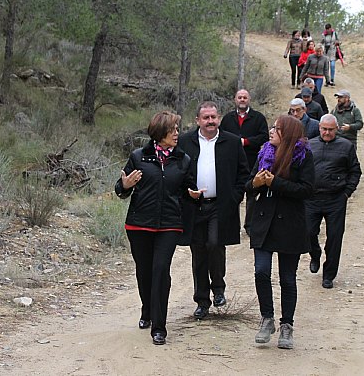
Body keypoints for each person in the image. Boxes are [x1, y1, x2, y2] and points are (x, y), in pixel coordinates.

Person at [115, 111, 201, 346]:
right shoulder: (138, 157)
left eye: (177, 129)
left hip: (169, 225)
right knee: (144, 271)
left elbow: (187, 188)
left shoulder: (183, 160)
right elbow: (121, 189)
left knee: (161, 270)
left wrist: (193, 194)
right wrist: (124, 185)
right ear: (160, 131)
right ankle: (147, 309)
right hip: (139, 224)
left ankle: (159, 327)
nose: (177, 133)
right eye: (173, 129)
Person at [246, 114, 315, 349]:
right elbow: (248, 184)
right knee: (261, 272)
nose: (271, 132)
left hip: (290, 226)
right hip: (264, 223)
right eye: (272, 128)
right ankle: (267, 318)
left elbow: (307, 189)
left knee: (287, 278)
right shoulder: (264, 152)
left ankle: (287, 325)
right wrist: (256, 183)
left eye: (277, 129)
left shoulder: (303, 156)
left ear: (289, 133)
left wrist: (275, 183)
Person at [179, 101, 250, 319]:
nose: (211, 121)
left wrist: (235, 196)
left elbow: (243, 173)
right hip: (194, 205)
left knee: (215, 243)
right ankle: (202, 300)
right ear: (197, 120)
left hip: (221, 204)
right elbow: (177, 173)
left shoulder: (231, 141)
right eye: (206, 118)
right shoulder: (185, 142)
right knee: (198, 251)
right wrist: (186, 192)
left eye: (214, 117)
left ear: (219, 118)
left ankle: (218, 288)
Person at [306, 114, 361, 289]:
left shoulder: (346, 146)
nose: (327, 133)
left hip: (336, 199)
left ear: (336, 129)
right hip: (311, 198)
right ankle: (314, 254)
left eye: (330, 129)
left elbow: (355, 171)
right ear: (319, 128)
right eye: (324, 129)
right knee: (307, 233)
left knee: (335, 238)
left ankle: (329, 274)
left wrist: (346, 193)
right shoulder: (309, 145)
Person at [220, 89, 269, 236]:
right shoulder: (228, 118)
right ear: (235, 99)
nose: (242, 100)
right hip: (231, 161)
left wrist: (246, 142)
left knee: (252, 193)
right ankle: (231, 224)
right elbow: (220, 136)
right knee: (232, 193)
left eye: (245, 97)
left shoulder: (258, 117)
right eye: (239, 97)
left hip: (252, 160)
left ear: (249, 99)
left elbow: (264, 136)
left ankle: (250, 226)